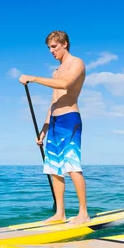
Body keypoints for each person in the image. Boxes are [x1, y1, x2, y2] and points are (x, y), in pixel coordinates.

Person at [19, 31, 90, 225]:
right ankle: (60, 213)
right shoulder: (55, 71)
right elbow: (53, 102)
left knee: (72, 165)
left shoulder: (77, 63)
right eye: (49, 47)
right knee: (54, 168)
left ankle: (83, 213)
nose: (51, 51)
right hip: (55, 122)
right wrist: (44, 129)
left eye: (54, 46)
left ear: (65, 44)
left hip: (70, 119)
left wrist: (33, 78)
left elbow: (66, 84)